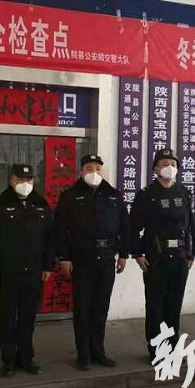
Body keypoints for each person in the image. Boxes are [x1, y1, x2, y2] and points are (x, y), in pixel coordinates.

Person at [55, 154, 130, 371]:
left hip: (106, 258)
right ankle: (83, 354)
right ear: (81, 172)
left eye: (98, 168)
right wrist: (64, 257)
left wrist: (123, 254)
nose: (94, 172)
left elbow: (124, 226)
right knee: (83, 308)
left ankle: (98, 351)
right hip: (82, 259)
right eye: (89, 168)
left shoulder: (114, 195)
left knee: (101, 307)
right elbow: (60, 229)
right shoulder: (70, 196)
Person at [130, 148, 195, 361]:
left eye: (173, 164)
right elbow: (133, 227)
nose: (169, 167)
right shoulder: (146, 195)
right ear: (155, 169)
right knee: (156, 306)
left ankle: (173, 348)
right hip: (156, 258)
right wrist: (138, 253)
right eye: (164, 163)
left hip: (179, 257)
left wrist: (191, 253)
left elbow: (190, 225)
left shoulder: (183, 193)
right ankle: (157, 351)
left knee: (174, 305)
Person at [0, 164, 54, 378]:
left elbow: (49, 239)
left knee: (28, 318)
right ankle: (8, 360)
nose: (25, 184)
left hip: (33, 272)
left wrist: (47, 266)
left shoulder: (41, 205)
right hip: (7, 273)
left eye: (29, 180)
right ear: (11, 180)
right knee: (6, 318)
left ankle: (26, 358)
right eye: (20, 179)